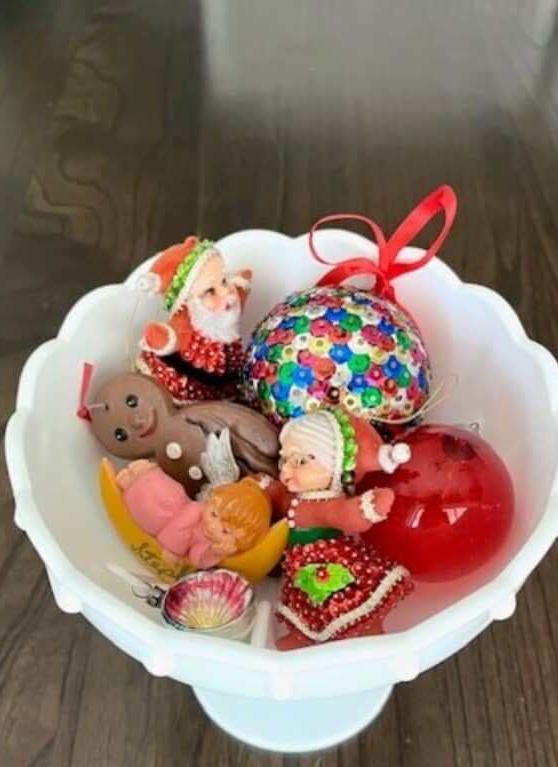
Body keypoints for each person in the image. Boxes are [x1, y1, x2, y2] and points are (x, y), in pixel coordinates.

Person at [258, 409, 414, 647]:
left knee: (353, 602)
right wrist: (267, 486)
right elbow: (281, 499)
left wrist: (366, 508)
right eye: (284, 460)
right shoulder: (296, 496)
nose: (285, 471)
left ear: (333, 465)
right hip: (301, 567)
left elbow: (343, 515)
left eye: (300, 462)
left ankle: (371, 631)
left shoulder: (327, 504)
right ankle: (301, 636)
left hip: (331, 564)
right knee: (305, 603)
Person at [133, 236, 252, 402]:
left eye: (224, 280)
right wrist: (163, 340)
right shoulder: (187, 325)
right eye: (210, 291)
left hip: (224, 391)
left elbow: (240, 291)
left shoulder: (227, 307)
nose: (226, 292)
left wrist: (242, 283)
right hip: (185, 393)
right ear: (188, 305)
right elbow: (171, 340)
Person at [116, 462, 270, 567]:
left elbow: (197, 558)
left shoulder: (209, 542)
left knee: (144, 506)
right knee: (152, 492)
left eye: (225, 531)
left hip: (156, 521)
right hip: (165, 506)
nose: (212, 526)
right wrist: (172, 550)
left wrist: (214, 552)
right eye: (213, 514)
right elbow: (177, 528)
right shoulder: (196, 511)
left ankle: (133, 486)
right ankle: (138, 477)